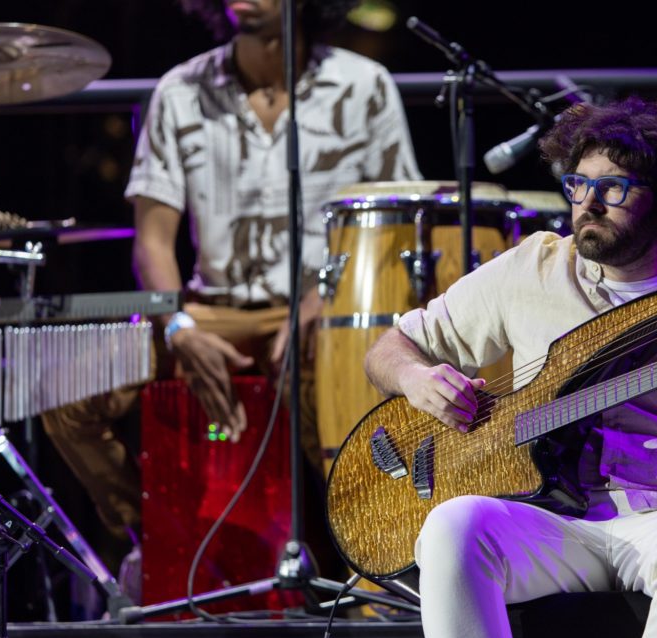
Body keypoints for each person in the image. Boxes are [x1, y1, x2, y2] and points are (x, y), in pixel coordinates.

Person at [362, 96, 657, 638]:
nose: (587, 205)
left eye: (613, 189)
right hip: (558, 522)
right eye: (577, 185)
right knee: (453, 525)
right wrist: (416, 378)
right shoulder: (533, 267)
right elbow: (389, 349)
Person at [41, 0, 421, 602]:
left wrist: (322, 301)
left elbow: (392, 227)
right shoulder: (180, 89)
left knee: (362, 399)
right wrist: (179, 326)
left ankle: (373, 572)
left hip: (324, 311)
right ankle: (152, 541)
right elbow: (153, 242)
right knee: (68, 392)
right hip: (206, 311)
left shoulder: (362, 85)